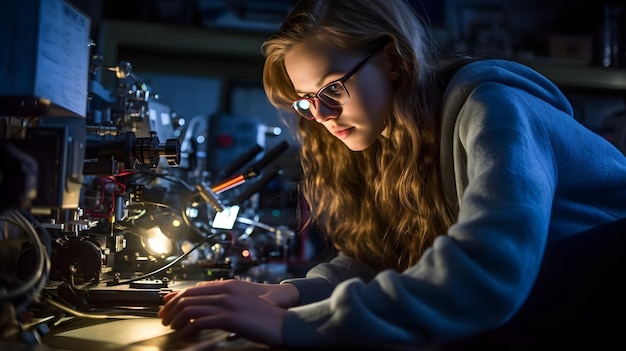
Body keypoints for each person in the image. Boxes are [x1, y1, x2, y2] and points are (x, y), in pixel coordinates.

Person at [158, 0, 626, 349]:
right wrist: (289, 293)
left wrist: (294, 326)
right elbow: (385, 259)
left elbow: (487, 272)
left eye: (332, 87)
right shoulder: (390, 136)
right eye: (306, 100)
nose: (319, 114)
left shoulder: (492, 108)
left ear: (394, 59)